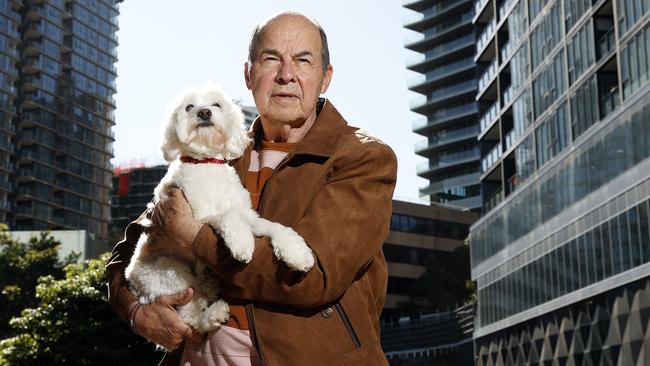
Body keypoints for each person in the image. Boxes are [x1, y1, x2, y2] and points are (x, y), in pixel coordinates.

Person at [106, 11, 397, 366]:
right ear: (249, 74)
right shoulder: (210, 153)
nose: (286, 74)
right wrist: (137, 311)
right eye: (270, 59)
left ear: (325, 78)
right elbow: (129, 250)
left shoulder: (363, 158)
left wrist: (194, 236)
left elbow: (311, 277)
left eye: (302, 61)